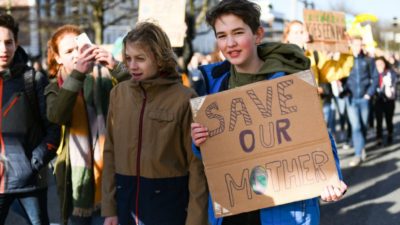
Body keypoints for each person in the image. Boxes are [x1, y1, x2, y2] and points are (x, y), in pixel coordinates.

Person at [190, 1, 347, 225]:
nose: (230, 43)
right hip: (234, 213)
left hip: (284, 213)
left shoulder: (289, 82)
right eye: (222, 35)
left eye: (238, 32)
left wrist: (332, 180)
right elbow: (211, 155)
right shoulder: (214, 85)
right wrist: (199, 141)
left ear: (257, 34)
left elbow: (319, 139)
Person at [101, 22, 208, 225]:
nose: (132, 66)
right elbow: (110, 152)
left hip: (170, 208)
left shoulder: (185, 98)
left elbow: (197, 166)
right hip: (126, 206)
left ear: (160, 59)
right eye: (128, 58)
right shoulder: (118, 94)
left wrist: (195, 220)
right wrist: (110, 209)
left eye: (140, 59)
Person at [45, 24, 128, 225]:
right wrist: (78, 75)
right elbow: (57, 115)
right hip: (74, 180)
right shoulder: (54, 87)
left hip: (109, 174)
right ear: (57, 58)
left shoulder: (104, 77)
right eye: (68, 51)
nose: (76, 55)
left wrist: (114, 65)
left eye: (79, 48)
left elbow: (136, 94)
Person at [0, 14, 60, 225]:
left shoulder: (33, 80)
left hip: (31, 183)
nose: (3, 49)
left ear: (16, 43)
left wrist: (32, 163)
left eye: (8, 42)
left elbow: (53, 130)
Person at [340, 35, 378, 167]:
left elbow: (375, 77)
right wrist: (342, 89)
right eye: (355, 44)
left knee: (363, 126)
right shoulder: (345, 59)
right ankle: (357, 154)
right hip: (351, 99)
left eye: (360, 44)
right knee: (355, 127)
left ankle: (361, 147)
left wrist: (369, 94)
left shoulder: (368, 60)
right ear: (351, 45)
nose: (358, 47)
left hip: (364, 98)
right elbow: (341, 76)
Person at [374, 56, 397, 146]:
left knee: (389, 119)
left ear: (385, 63)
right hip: (378, 100)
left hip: (389, 100)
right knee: (379, 120)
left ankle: (390, 135)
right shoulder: (374, 74)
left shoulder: (390, 72)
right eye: (377, 64)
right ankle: (379, 138)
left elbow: (394, 81)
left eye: (381, 63)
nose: (379, 66)